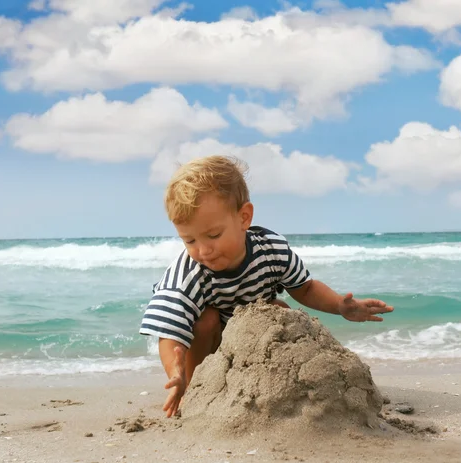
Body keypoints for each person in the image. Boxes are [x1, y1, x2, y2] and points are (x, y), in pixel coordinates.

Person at [139, 155, 394, 417]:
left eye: (213, 235)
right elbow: (170, 334)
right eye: (189, 240)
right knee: (206, 318)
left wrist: (339, 305)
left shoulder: (270, 249)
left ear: (244, 217)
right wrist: (176, 372)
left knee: (278, 308)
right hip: (211, 348)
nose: (204, 250)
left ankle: (279, 391)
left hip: (252, 346)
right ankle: (196, 390)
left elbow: (304, 288)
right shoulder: (186, 275)